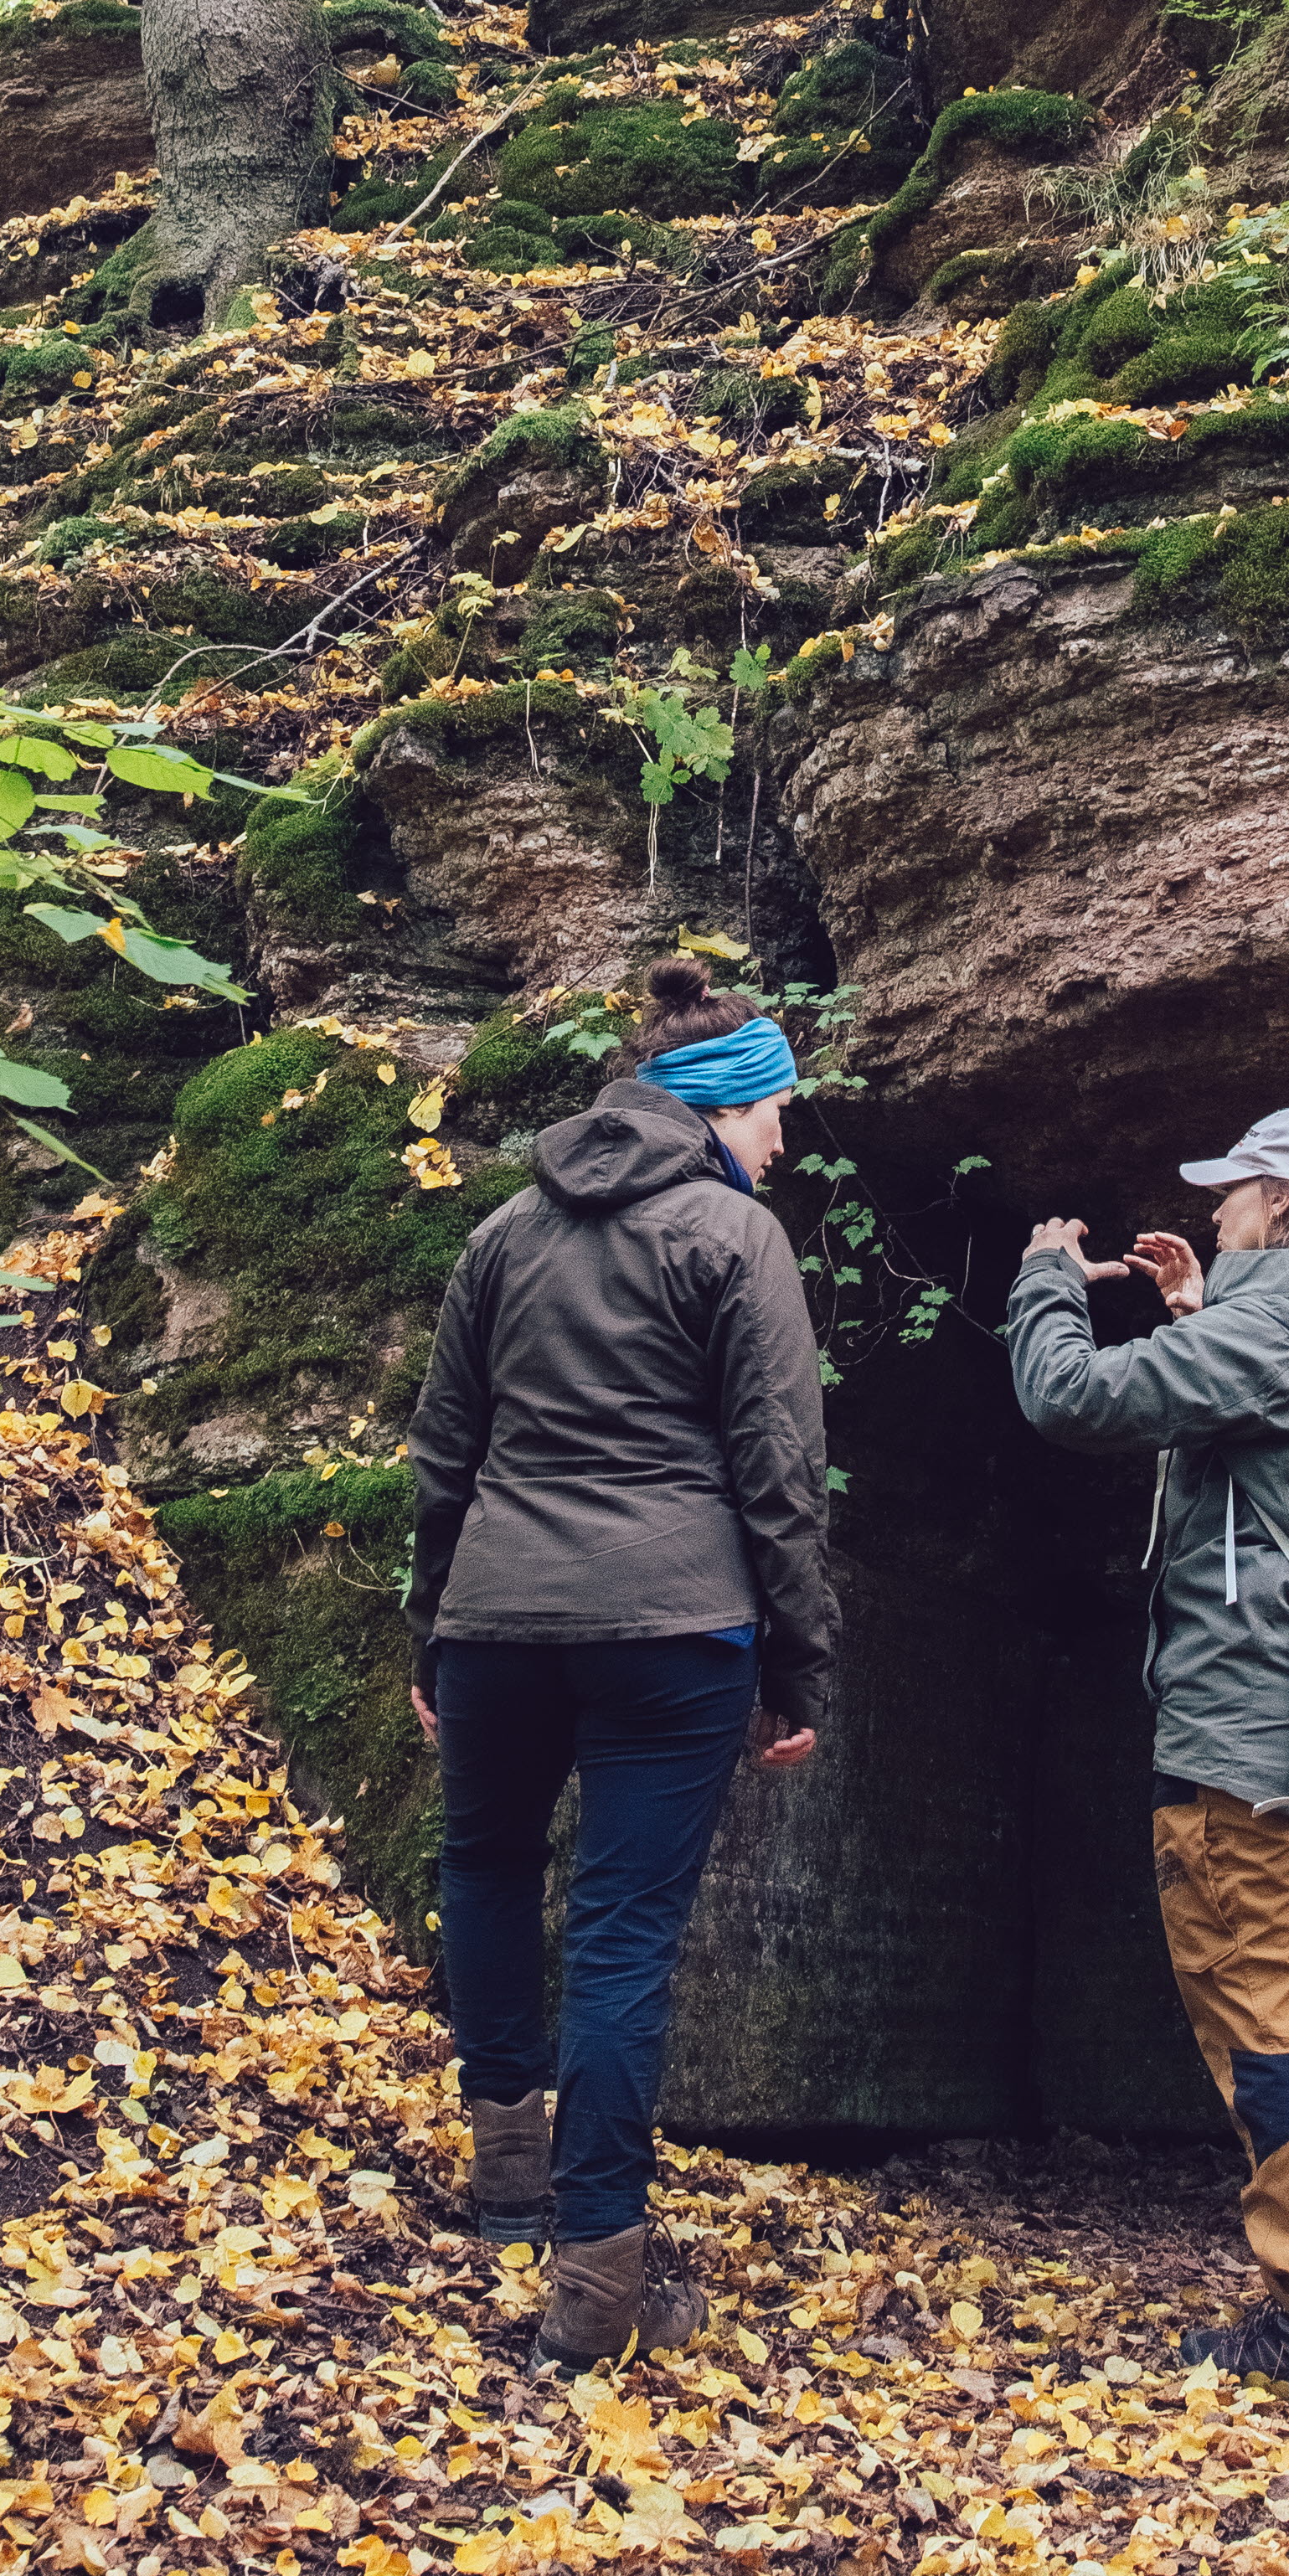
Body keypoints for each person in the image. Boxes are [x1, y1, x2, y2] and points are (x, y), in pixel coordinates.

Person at [405, 956, 836, 2372]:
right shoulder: (733, 1232)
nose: (784, 1139)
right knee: (621, 1931)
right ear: (723, 1108)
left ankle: (506, 2186)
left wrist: (433, 1628)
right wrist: (798, 1668)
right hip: (672, 1623)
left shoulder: (504, 1231)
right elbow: (778, 1465)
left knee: (484, 1868)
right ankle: (594, 2284)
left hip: (496, 1621)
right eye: (776, 1111)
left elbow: (445, 1453)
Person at [1008, 1108, 1289, 2398]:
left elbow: (1070, 1397)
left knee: (1259, 2017)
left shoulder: (1264, 1337)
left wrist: (1045, 1280)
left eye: (1232, 1193)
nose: (1211, 1212)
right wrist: (1205, 1311)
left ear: (1281, 1204)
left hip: (1248, 1731)